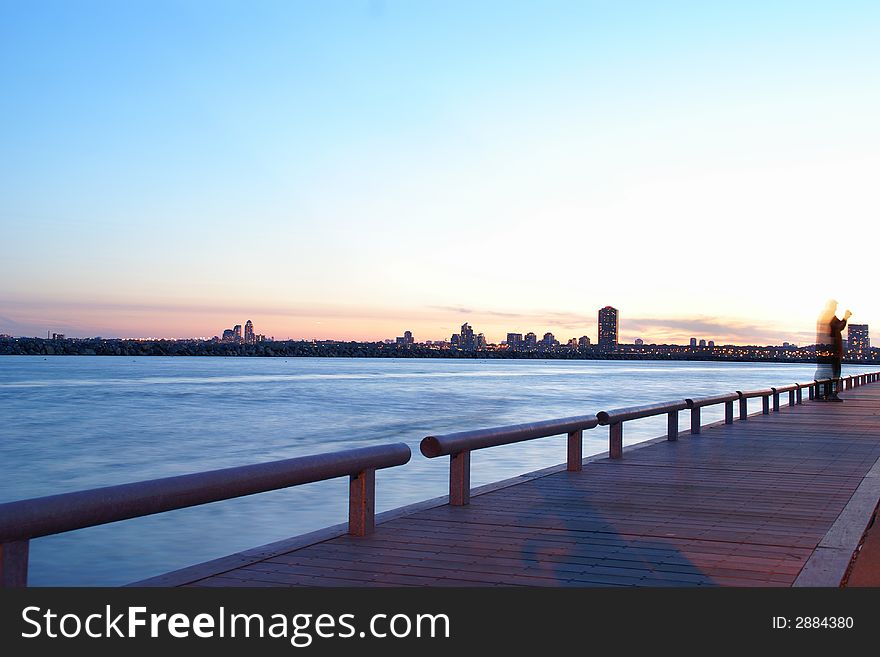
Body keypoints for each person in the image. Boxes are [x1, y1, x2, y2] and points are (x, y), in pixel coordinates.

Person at [815, 300, 852, 401]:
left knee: (824, 373)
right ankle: (830, 394)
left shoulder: (824, 316)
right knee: (835, 373)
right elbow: (839, 327)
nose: (836, 308)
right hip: (832, 350)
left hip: (823, 350)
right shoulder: (829, 316)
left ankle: (821, 394)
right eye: (835, 306)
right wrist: (845, 317)